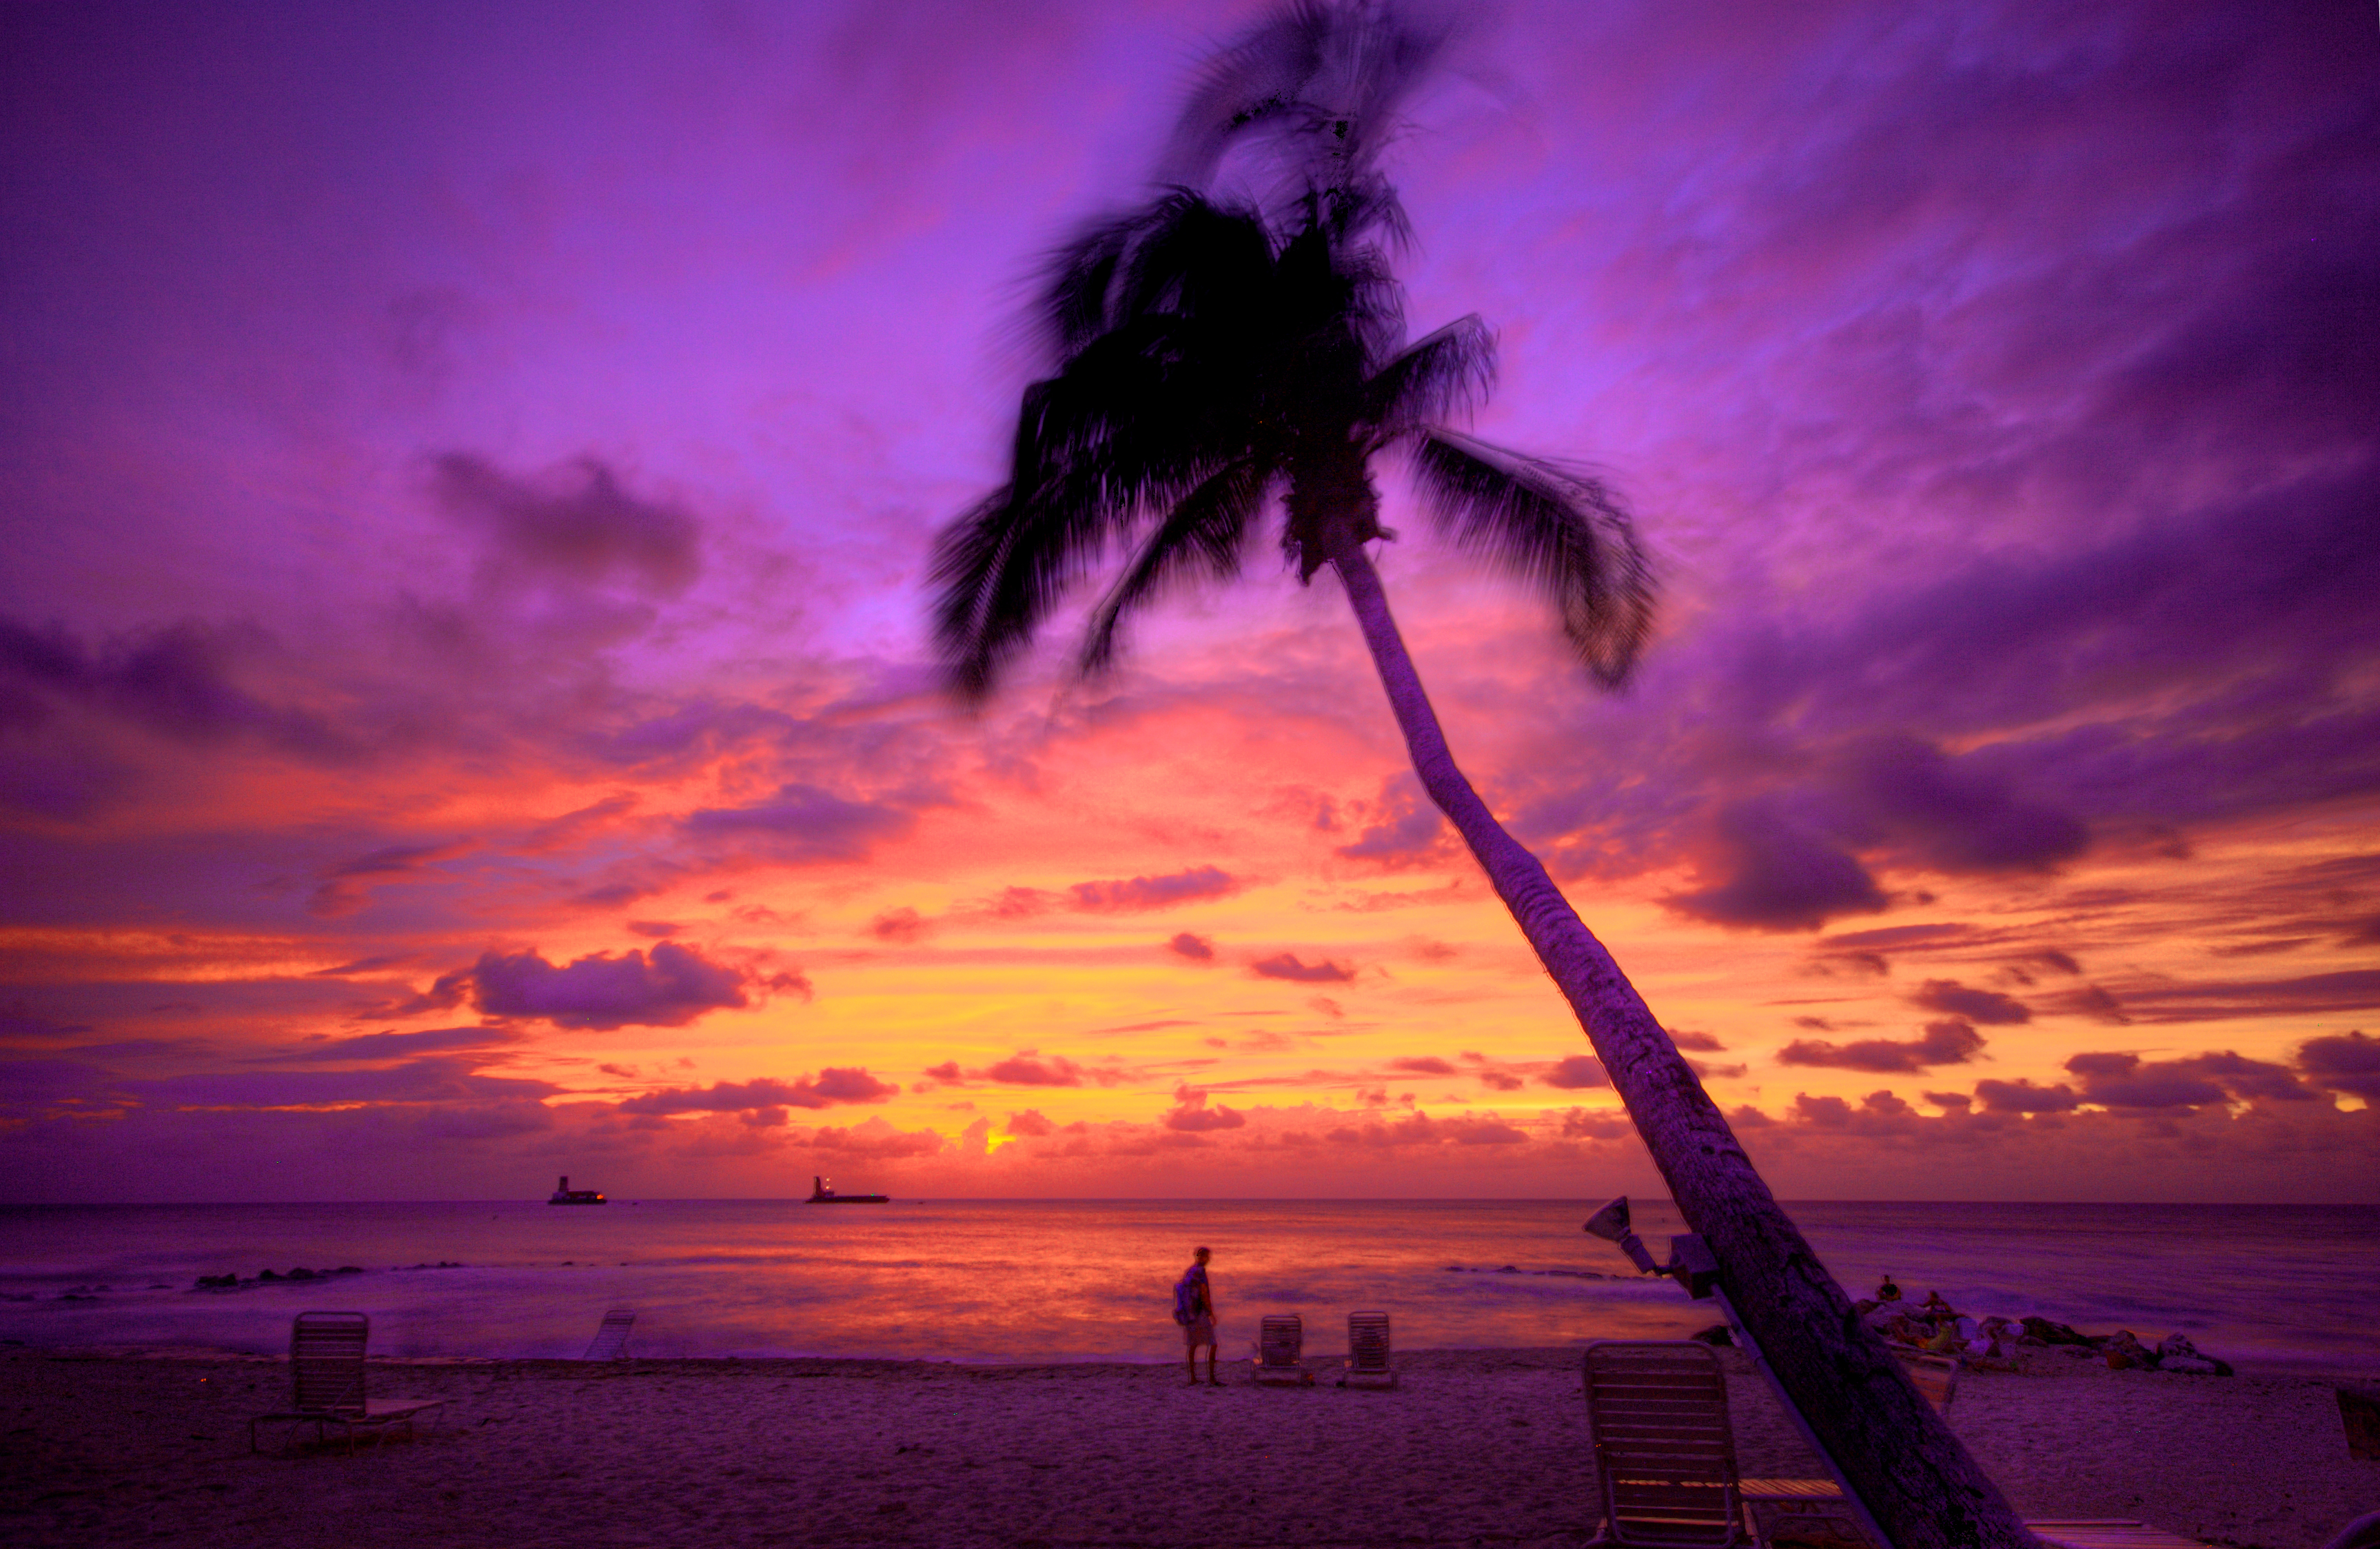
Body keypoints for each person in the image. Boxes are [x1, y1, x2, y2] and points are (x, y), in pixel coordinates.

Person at [1174, 1246, 1219, 1386]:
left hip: (1190, 1314)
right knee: (1213, 1344)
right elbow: (1204, 1293)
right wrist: (1211, 1313)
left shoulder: (1190, 1271)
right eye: (1207, 1256)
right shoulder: (1201, 1272)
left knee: (1193, 1345)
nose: (1208, 1259)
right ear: (1202, 1257)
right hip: (1200, 1313)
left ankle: (1193, 1378)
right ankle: (1211, 1378)